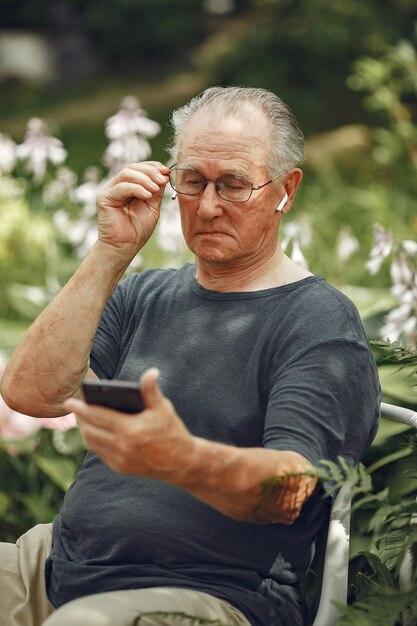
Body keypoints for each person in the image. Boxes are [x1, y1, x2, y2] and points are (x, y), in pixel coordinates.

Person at [0, 86, 380, 626]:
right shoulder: (143, 295)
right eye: (193, 181)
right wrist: (112, 250)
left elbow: (290, 488)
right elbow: (31, 392)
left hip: (205, 594)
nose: (206, 205)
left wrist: (178, 458)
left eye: (233, 185)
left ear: (285, 190)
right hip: (57, 564)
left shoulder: (319, 323)